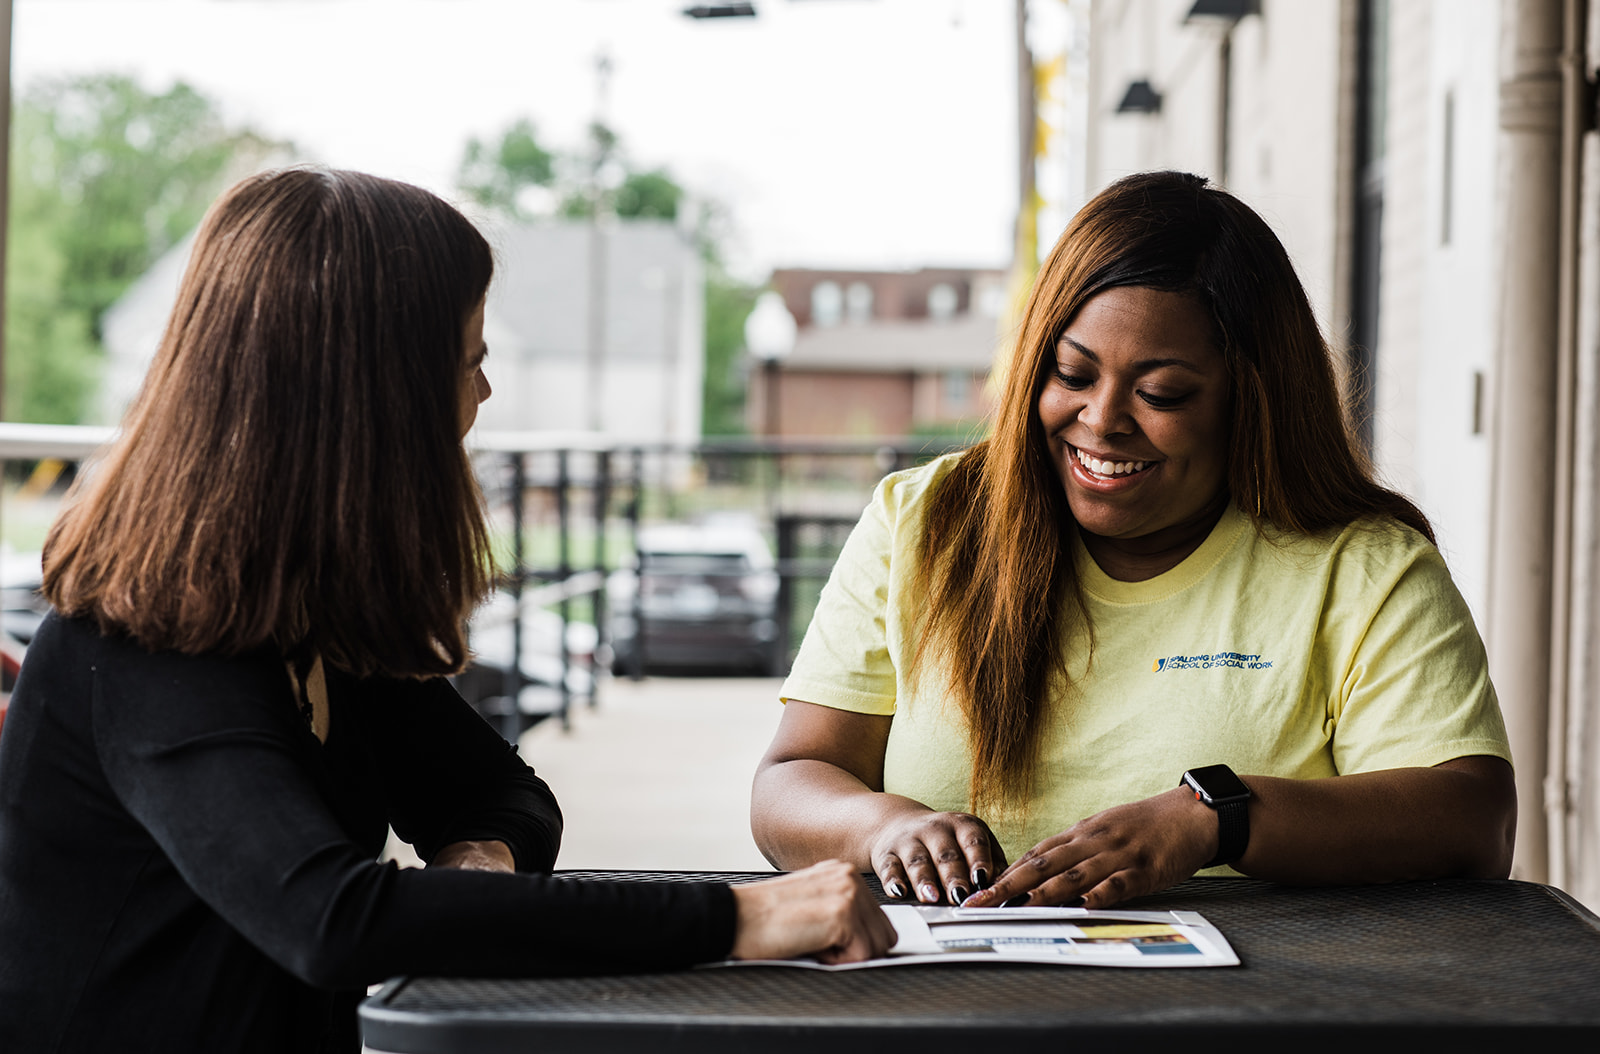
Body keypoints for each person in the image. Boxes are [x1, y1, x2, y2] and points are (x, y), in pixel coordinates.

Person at [0, 167, 893, 1054]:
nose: (485, 396)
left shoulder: (313, 610)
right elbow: (333, 917)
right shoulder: (143, 643)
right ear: (376, 402)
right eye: (471, 362)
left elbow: (504, 793)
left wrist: (483, 862)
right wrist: (739, 917)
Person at [751, 170, 1516, 912]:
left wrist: (1216, 819)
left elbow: (1471, 818)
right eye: (1071, 373)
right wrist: (882, 826)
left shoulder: (1363, 567)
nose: (1102, 419)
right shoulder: (924, 521)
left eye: (1161, 393)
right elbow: (794, 777)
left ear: (1253, 402)